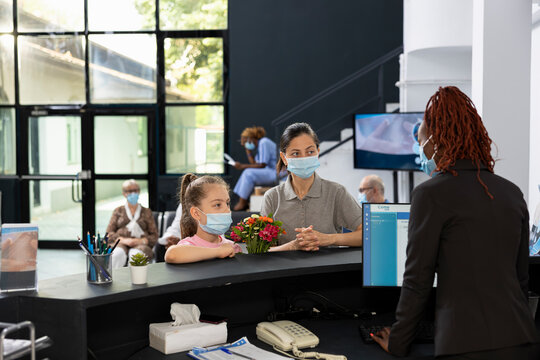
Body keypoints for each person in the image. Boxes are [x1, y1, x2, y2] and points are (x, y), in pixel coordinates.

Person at [371, 86, 540, 359]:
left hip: (465, 345)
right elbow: (521, 279)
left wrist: (398, 343)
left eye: (421, 140)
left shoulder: (430, 194)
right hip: (523, 339)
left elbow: (417, 281)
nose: (420, 148)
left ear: (435, 142)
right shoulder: (512, 192)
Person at [260, 122, 363, 251]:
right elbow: (262, 250)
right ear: (284, 158)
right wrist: (293, 246)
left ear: (317, 153)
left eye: (310, 152)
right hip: (285, 271)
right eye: (296, 154)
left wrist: (329, 239)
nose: (304, 158)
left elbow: (367, 234)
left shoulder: (336, 192)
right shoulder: (272, 197)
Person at [165, 173, 242, 264]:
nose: (227, 210)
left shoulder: (232, 247)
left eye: (227, 203)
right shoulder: (189, 245)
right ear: (196, 213)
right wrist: (218, 252)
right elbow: (172, 254)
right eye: (217, 205)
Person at [106, 180, 158, 268]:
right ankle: (114, 279)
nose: (133, 193)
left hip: (141, 244)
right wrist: (123, 240)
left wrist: (141, 241)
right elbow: (109, 233)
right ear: (124, 193)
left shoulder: (147, 212)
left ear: (139, 192)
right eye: (130, 191)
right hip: (120, 243)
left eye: (136, 190)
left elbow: (154, 235)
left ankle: (135, 280)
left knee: (136, 256)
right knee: (117, 254)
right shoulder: (118, 211)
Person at [233, 126, 277, 211]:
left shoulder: (264, 142)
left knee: (248, 173)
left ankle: (242, 202)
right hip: (269, 171)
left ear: (251, 138)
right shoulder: (260, 146)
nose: (243, 144)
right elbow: (254, 164)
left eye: (245, 141)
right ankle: (243, 201)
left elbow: (262, 165)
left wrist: (242, 166)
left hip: (276, 172)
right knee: (248, 172)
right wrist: (247, 150)